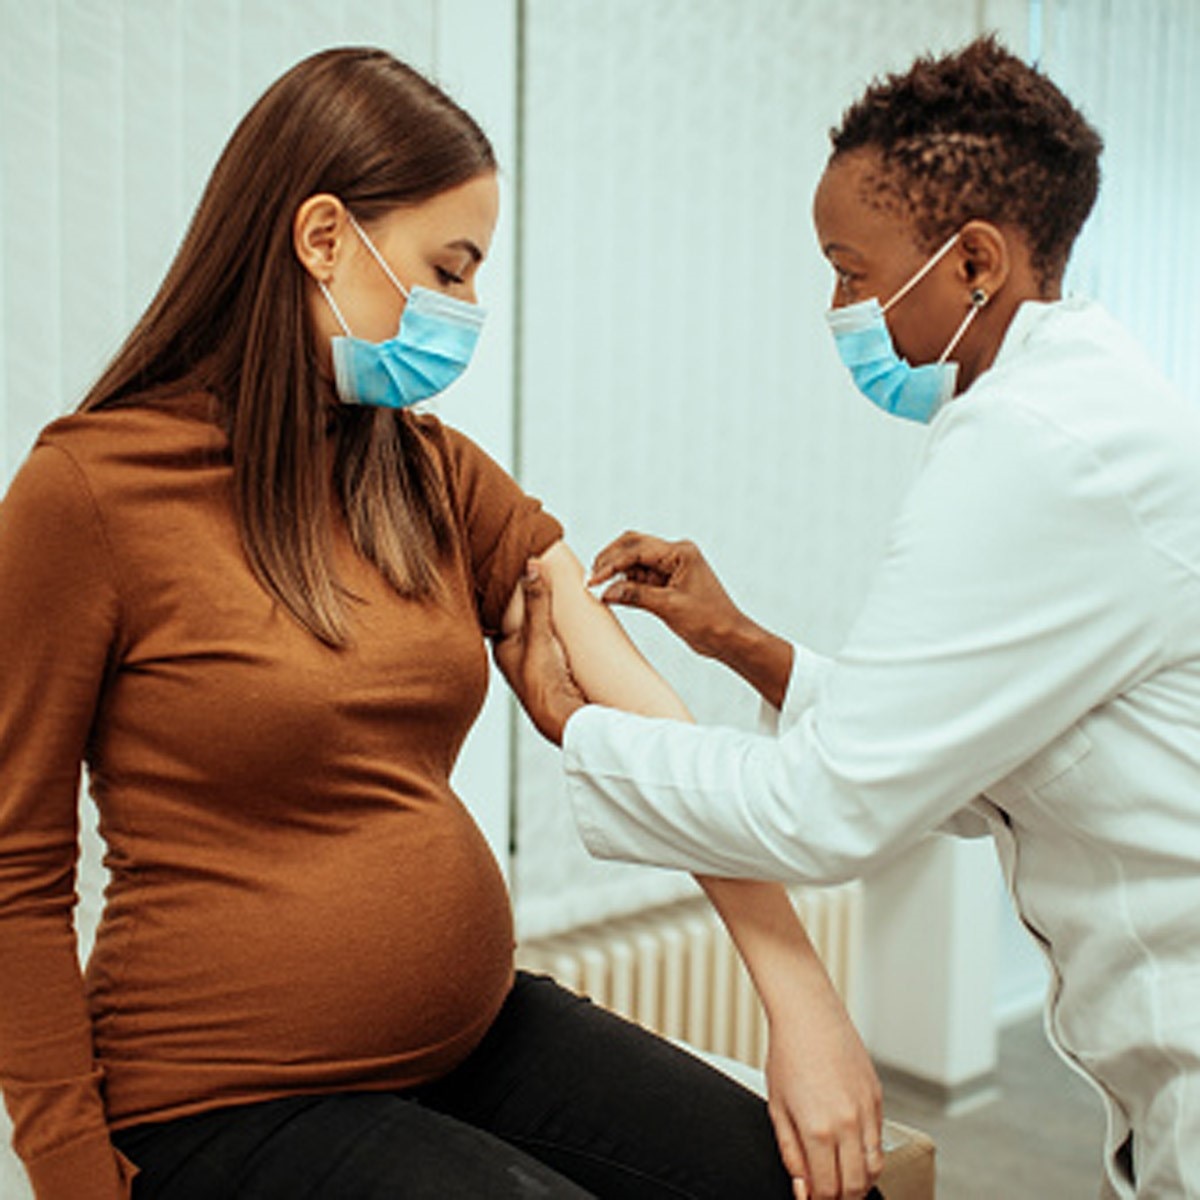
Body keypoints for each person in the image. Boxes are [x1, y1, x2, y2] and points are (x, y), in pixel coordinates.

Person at [0, 47, 886, 1200]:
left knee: (813, 1189)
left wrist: (800, 1003)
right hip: (228, 1101)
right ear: (322, 238)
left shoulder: (428, 475)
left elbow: (648, 721)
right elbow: (14, 870)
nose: (466, 311)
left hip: (471, 1039)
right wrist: (73, 1178)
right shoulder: (90, 494)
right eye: (449, 269)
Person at [502, 35, 1200, 1200]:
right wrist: (743, 643)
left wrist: (577, 726)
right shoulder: (1077, 407)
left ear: (973, 259)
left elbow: (830, 808)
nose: (839, 308)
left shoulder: (1035, 447)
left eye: (850, 270)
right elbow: (972, 766)